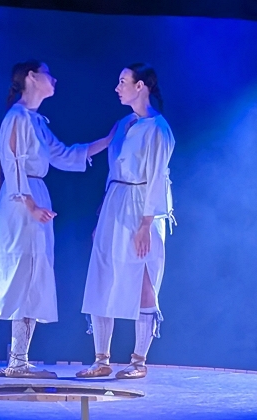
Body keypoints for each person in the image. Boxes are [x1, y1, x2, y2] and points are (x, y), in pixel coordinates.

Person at [0, 60, 111, 379]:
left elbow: (63, 154)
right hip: (21, 200)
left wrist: (107, 140)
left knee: (32, 274)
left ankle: (13, 358)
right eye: (47, 73)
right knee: (10, 271)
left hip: (33, 195)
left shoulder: (36, 121)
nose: (53, 79)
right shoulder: (16, 117)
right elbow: (12, 161)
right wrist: (29, 203)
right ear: (31, 77)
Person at [78, 63, 175, 380]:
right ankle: (101, 358)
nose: (117, 88)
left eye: (123, 81)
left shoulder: (158, 129)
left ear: (140, 86)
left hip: (141, 205)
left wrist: (146, 224)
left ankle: (138, 361)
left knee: (142, 277)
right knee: (103, 273)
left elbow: (157, 178)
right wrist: (102, 214)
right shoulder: (123, 123)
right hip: (115, 203)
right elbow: (112, 169)